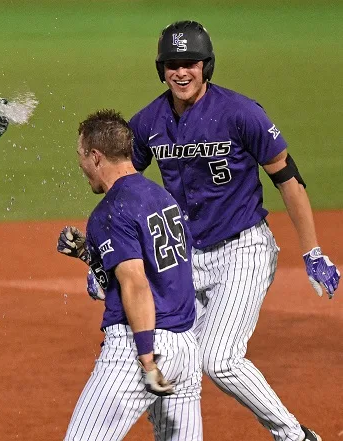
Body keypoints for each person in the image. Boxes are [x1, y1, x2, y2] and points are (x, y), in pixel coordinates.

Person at [129, 20, 339, 441]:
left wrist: (313, 251)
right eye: (172, 64)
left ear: (207, 66)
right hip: (187, 258)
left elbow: (289, 179)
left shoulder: (241, 113)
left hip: (245, 248)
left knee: (220, 359)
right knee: (168, 356)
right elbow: (124, 188)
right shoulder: (148, 122)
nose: (181, 72)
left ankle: (295, 436)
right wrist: (104, 257)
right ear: (161, 69)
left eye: (190, 63)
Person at [57, 109, 202, 440]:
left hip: (138, 346)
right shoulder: (163, 198)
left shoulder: (109, 212)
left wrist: (147, 360)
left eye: (81, 155)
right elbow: (154, 272)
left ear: (96, 157)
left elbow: (136, 286)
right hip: (184, 346)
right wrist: (89, 256)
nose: (80, 165)